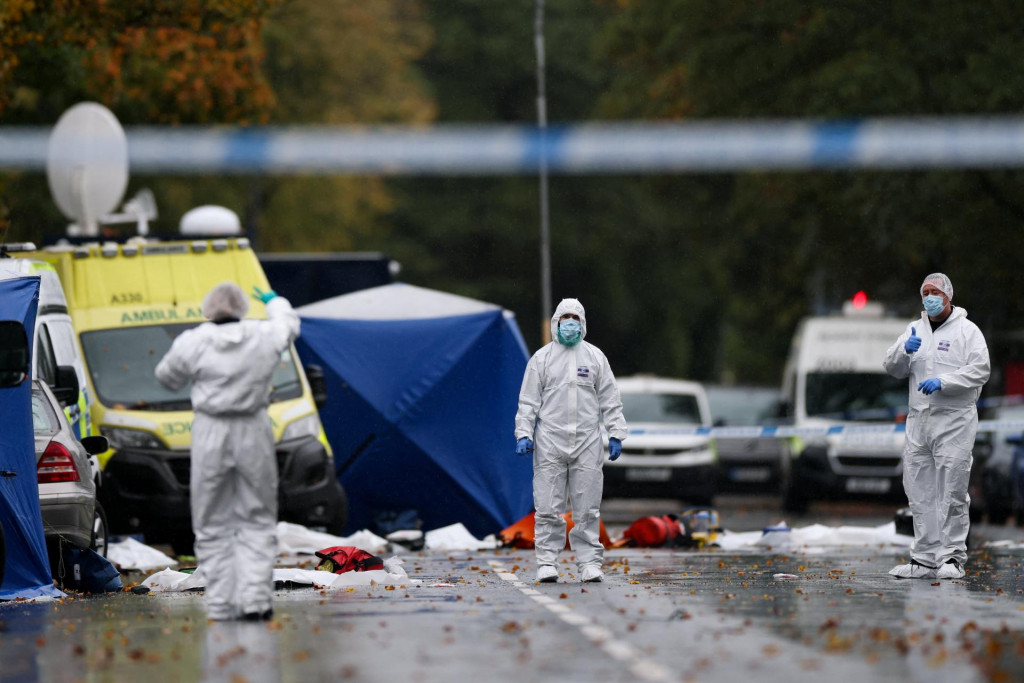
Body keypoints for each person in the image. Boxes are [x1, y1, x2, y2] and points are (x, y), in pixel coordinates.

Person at [155, 282, 300, 620]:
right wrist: (276, 300)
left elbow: (167, 378)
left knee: (211, 520)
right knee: (258, 517)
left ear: (208, 309)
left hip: (210, 431)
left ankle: (221, 604)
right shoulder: (263, 334)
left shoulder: (193, 340)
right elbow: (289, 325)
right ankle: (256, 601)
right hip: (254, 428)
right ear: (243, 308)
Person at [883, 273, 989, 580]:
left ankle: (952, 557)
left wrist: (945, 382)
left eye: (935, 292)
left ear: (948, 296)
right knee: (919, 490)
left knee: (952, 490)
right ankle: (924, 557)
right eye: (925, 292)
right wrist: (904, 349)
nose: (929, 297)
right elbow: (891, 367)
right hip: (919, 421)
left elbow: (981, 370)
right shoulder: (914, 329)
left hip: (953, 421)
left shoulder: (967, 332)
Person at [514, 298, 628, 583]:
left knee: (587, 506)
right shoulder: (541, 359)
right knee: (548, 505)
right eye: (565, 317)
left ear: (583, 322)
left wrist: (615, 432)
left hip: (587, 440)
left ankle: (589, 562)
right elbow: (528, 401)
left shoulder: (595, 357)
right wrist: (524, 433)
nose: (570, 323)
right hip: (550, 439)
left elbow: (610, 399)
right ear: (556, 321)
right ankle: (547, 562)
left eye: (575, 317)